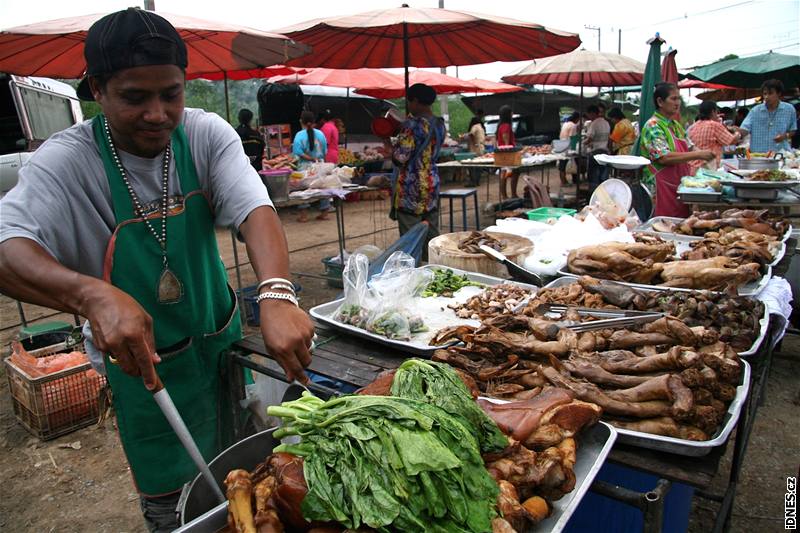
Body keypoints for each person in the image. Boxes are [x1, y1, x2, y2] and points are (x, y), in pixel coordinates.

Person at [0, 9, 315, 532]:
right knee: (180, 508)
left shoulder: (206, 134)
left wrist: (278, 293)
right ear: (96, 90)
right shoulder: (66, 162)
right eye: (134, 97)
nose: (157, 113)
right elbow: (8, 248)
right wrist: (90, 296)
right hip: (147, 377)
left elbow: (255, 211)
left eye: (170, 93)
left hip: (220, 346)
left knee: (254, 478)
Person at [640, 82, 715, 217]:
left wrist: (706, 157)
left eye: (679, 98)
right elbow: (664, 157)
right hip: (660, 187)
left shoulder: (676, 125)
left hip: (678, 186)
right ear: (660, 102)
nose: (678, 103)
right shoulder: (653, 126)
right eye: (673, 99)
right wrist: (698, 154)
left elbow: (690, 146)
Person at [390, 83, 445, 259]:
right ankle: (434, 269)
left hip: (410, 188)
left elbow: (401, 157)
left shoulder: (411, 126)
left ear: (414, 101)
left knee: (410, 240)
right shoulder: (439, 124)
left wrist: (388, 143)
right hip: (432, 184)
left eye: (409, 101)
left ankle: (412, 275)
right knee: (431, 237)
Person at [293, 110, 331, 222]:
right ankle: (325, 213)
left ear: (301, 121)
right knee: (322, 187)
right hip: (319, 165)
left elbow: (298, 152)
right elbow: (324, 151)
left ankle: (304, 215)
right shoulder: (320, 134)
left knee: (304, 190)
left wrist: (310, 158)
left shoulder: (299, 135)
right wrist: (316, 159)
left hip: (304, 167)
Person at [739, 79, 796, 153]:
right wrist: (737, 131)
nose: (766, 97)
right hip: (759, 155)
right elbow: (745, 129)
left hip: (780, 153)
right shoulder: (755, 111)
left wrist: (785, 136)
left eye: (770, 93)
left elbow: (793, 129)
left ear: (779, 93)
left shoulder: (789, 109)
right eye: (765, 94)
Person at [687, 101, 741, 173]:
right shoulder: (714, 125)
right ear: (713, 111)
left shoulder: (693, 126)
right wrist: (737, 133)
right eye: (717, 112)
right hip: (707, 167)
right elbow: (732, 141)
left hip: (692, 167)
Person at [584, 104, 611, 195]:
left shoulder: (594, 124)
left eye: (588, 114)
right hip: (605, 152)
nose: (588, 116)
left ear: (592, 113)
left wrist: (583, 143)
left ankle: (594, 195)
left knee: (593, 176)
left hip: (595, 153)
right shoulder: (606, 123)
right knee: (603, 176)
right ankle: (604, 195)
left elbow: (589, 139)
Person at [496, 105, 519, 200]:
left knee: (505, 173)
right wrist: (509, 151)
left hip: (502, 152)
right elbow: (506, 141)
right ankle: (510, 195)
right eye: (511, 112)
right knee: (511, 172)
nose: (512, 114)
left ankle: (506, 195)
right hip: (507, 152)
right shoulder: (506, 126)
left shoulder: (500, 126)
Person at [557, 112, 580, 185]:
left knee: (562, 165)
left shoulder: (565, 124)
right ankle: (574, 180)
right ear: (577, 119)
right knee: (574, 163)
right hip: (567, 146)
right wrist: (574, 149)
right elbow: (572, 138)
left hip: (561, 145)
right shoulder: (573, 125)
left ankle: (563, 181)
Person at [463, 115, 486, 186]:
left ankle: (473, 181)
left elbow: (471, 135)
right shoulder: (481, 127)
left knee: (472, 165)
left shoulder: (475, 126)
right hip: (481, 147)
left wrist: (472, 141)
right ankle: (477, 181)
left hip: (475, 148)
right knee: (479, 166)